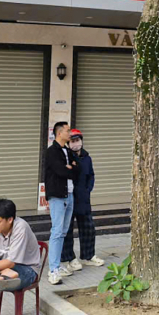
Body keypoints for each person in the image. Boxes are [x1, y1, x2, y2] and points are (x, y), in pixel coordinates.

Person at [61, 129, 105, 271]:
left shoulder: (87, 158)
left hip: (84, 199)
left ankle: (88, 256)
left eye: (77, 140)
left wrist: (87, 190)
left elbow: (91, 175)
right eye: (72, 141)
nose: (75, 144)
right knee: (67, 230)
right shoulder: (66, 157)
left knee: (88, 228)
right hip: (69, 198)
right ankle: (69, 258)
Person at [45, 121, 78, 284]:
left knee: (64, 231)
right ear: (59, 133)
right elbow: (60, 171)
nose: (70, 133)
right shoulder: (52, 152)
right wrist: (68, 168)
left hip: (69, 194)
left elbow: (77, 169)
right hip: (58, 196)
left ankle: (57, 264)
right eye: (67, 130)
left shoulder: (68, 150)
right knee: (57, 231)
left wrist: (71, 167)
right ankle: (53, 270)